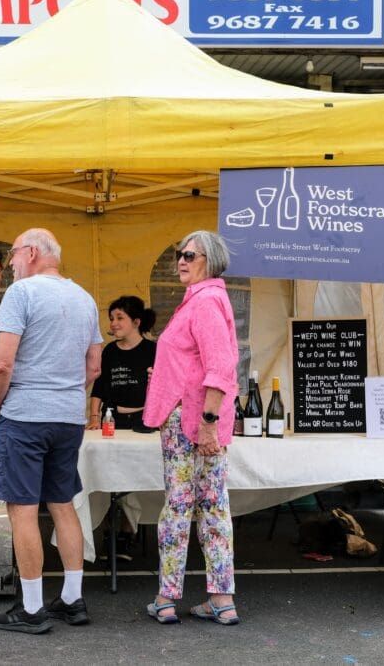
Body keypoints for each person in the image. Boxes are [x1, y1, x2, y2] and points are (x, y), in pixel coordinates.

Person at [0, 228, 103, 634]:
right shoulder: (84, 297)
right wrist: (67, 394)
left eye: (13, 254)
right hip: (68, 417)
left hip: (25, 415)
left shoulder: (22, 294)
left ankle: (32, 608)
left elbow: (2, 364)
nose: (11, 263)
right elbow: (94, 367)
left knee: (21, 509)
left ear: (32, 252)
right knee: (62, 503)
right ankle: (73, 599)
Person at [142, 230, 241, 626]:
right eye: (178, 254)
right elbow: (201, 362)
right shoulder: (201, 301)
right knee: (212, 507)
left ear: (210, 261)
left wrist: (208, 423)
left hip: (193, 423)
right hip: (196, 420)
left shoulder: (205, 302)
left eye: (189, 255)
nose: (180, 261)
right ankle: (221, 599)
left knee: (182, 508)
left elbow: (221, 367)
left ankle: (167, 598)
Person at [86, 295, 157, 431]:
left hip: (145, 421)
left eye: (120, 318)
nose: (113, 323)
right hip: (111, 420)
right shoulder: (109, 350)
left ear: (136, 322)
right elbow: (99, 387)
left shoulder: (153, 350)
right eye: (112, 319)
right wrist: (94, 417)